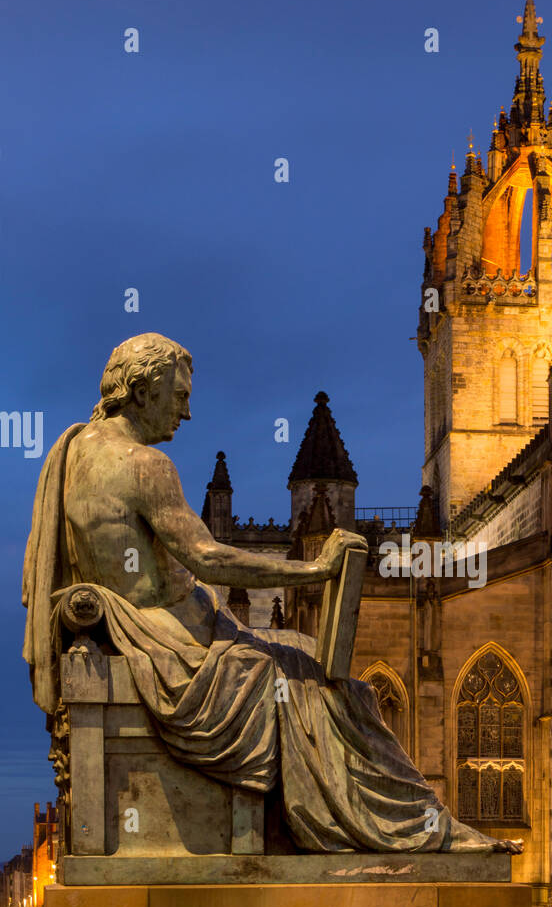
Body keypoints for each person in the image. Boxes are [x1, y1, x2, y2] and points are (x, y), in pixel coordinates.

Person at [23, 333, 521, 856]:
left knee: (311, 661)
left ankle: (415, 820)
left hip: (152, 629)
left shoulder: (73, 451)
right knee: (327, 681)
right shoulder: (145, 466)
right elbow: (209, 557)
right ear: (144, 390)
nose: (186, 414)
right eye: (179, 396)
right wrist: (317, 569)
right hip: (168, 641)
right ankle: (415, 827)